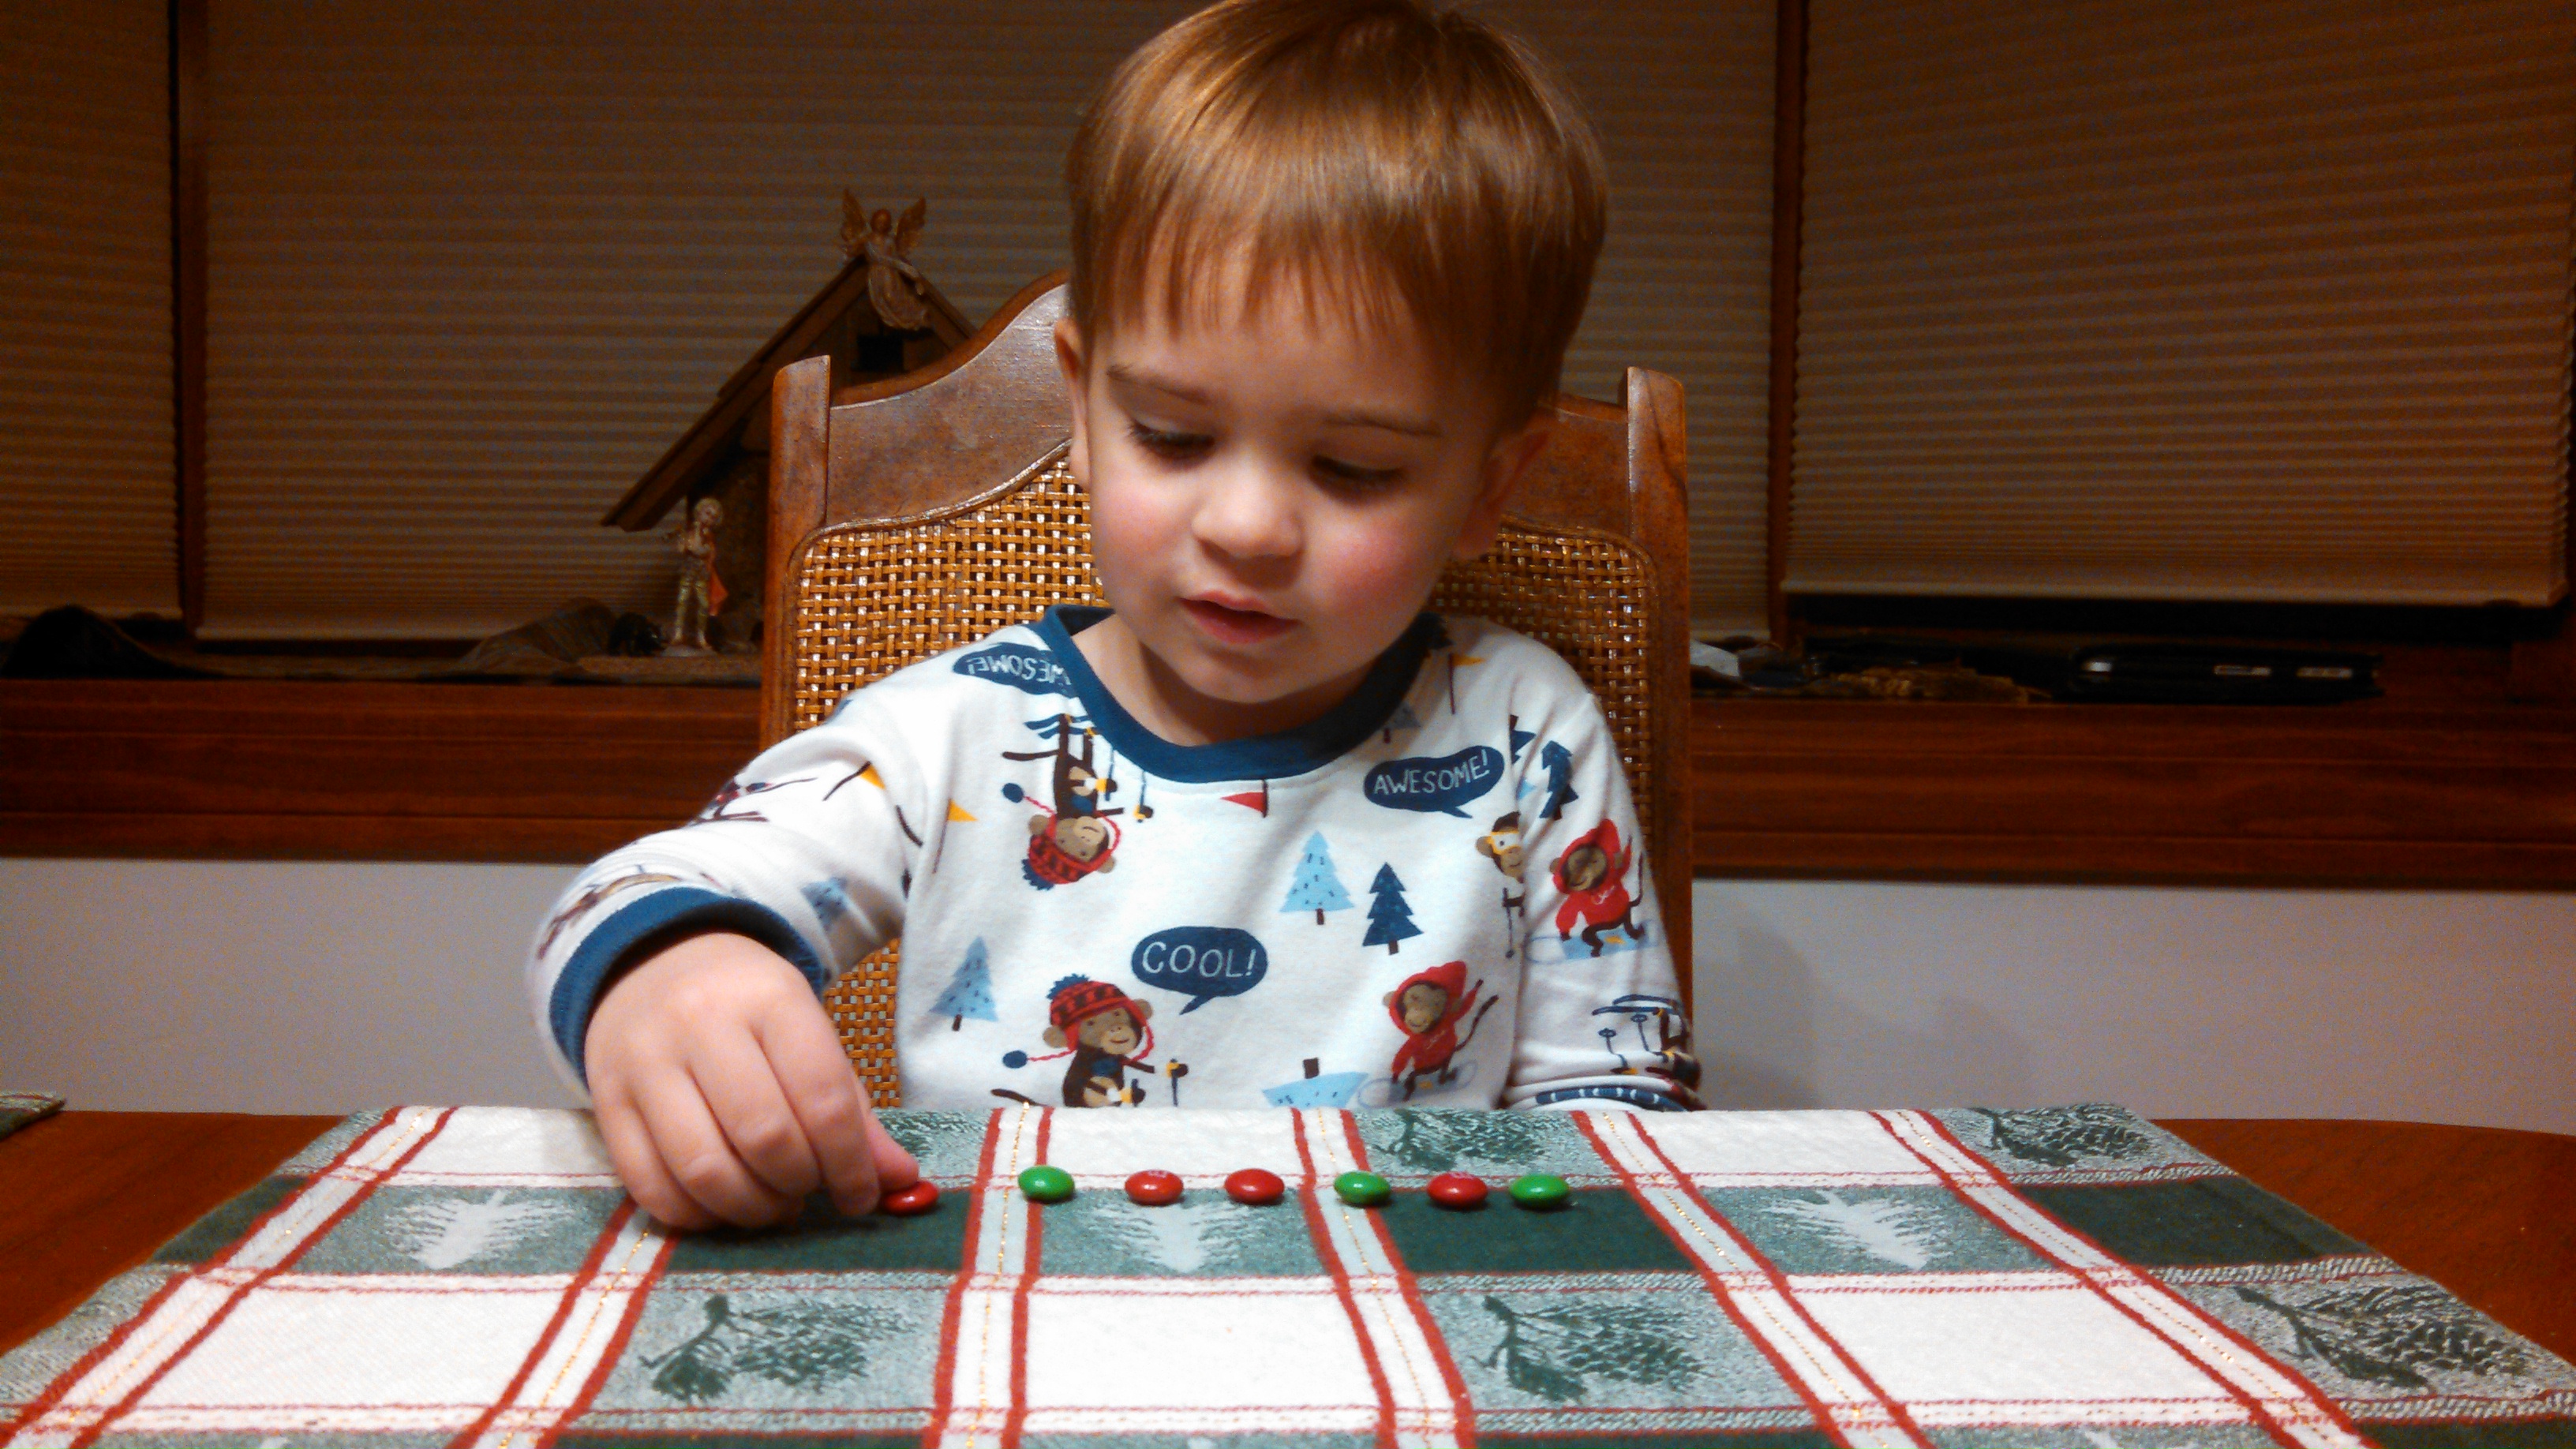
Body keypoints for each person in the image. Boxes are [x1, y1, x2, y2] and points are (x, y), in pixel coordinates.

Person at [527, 0, 1696, 1233]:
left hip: (1397, 1309)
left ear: (1490, 486)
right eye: (1173, 436)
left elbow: (1616, 1118)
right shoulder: (955, 733)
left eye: (1354, 467)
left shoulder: (1527, 730)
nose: (1247, 527)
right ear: (1085, 411)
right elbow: (636, 891)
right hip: (1015, 1299)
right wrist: (665, 971)